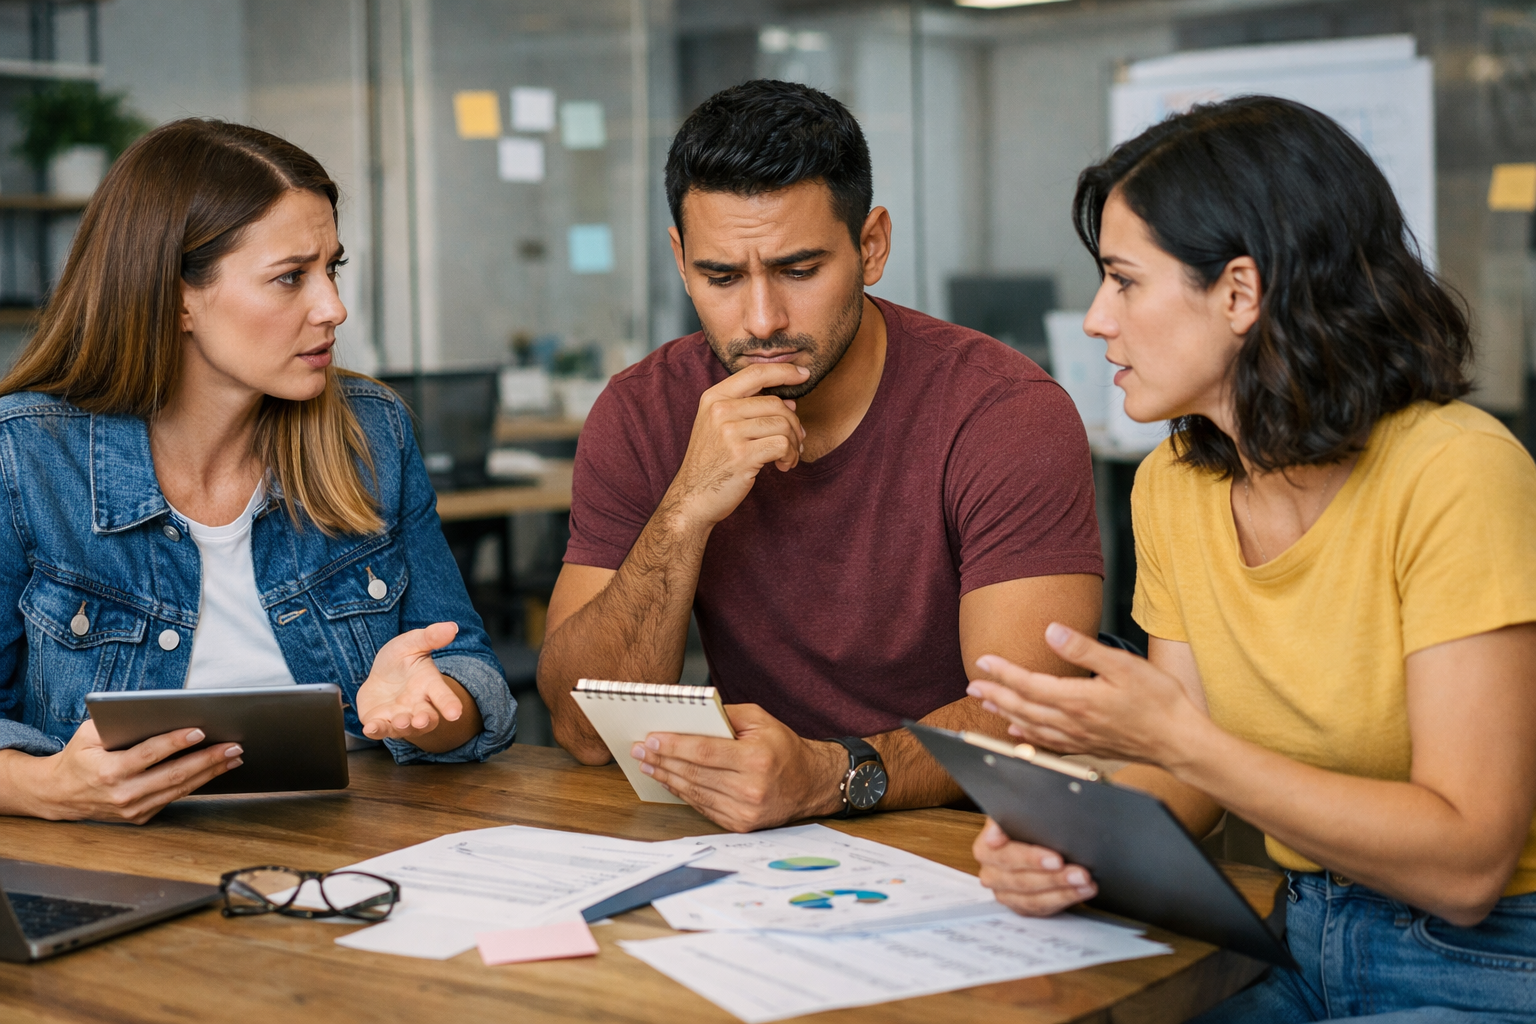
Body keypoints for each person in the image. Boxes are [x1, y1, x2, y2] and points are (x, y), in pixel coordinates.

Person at [966, 96, 1536, 1022]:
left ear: (1239, 291)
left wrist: (1177, 739)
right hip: (1285, 931)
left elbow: (1468, 865)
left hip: (1483, 960)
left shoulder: (1458, 471)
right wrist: (1067, 845)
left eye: (1124, 280)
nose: (1098, 319)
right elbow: (1186, 774)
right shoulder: (1175, 484)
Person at [536, 79, 1103, 833]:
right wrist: (686, 510)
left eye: (799, 270)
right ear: (680, 260)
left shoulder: (1005, 412)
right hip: (753, 840)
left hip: (975, 834)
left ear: (871, 246)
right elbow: (583, 733)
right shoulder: (642, 410)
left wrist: (833, 775)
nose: (763, 319)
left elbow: (1031, 719)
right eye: (722, 277)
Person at [0, 120, 515, 824]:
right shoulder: (25, 458)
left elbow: (472, 675)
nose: (333, 308)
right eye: (289, 278)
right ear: (177, 295)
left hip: (352, 850)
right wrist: (50, 790)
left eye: (332, 268)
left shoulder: (373, 432)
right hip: (115, 862)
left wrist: (431, 708)